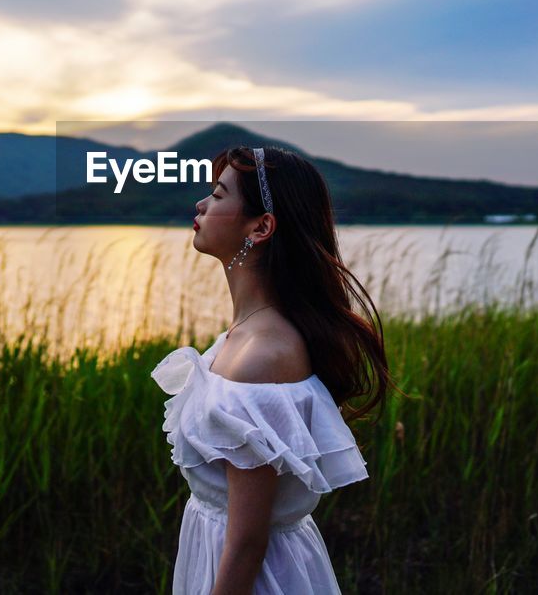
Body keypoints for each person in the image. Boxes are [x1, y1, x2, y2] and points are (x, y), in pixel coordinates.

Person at [151, 144, 398, 594]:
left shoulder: (263, 356)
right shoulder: (244, 336)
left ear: (261, 226)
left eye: (219, 195)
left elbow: (247, 541)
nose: (201, 204)